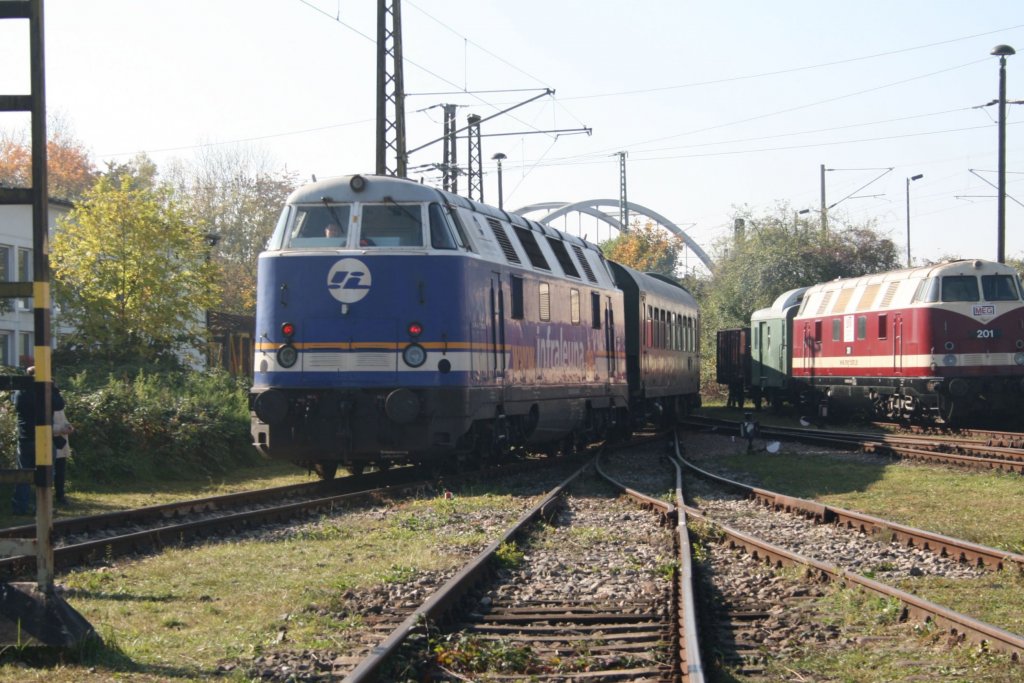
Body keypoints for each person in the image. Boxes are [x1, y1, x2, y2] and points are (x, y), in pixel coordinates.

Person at [11, 366, 65, 515]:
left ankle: (20, 506)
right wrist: (54, 388)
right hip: (44, 438)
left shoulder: (20, 391)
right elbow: (59, 404)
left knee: (23, 473)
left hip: (25, 437)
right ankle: (43, 505)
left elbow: (15, 404)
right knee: (47, 473)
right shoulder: (45, 391)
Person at [52, 405, 74, 504]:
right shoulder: (43, 404)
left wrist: (69, 426)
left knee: (60, 472)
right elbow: (44, 425)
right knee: (50, 472)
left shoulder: (58, 406)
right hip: (51, 443)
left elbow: (64, 420)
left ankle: (60, 495)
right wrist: (60, 429)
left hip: (61, 444)